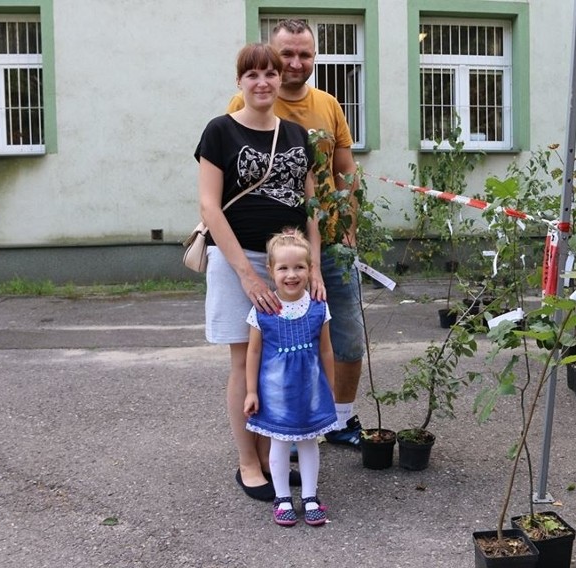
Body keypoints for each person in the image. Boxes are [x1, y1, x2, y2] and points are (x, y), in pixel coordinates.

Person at [194, 42, 325, 501]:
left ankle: (272, 454)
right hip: (239, 262)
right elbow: (210, 206)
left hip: (288, 264)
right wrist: (247, 275)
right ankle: (248, 462)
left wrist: (315, 267)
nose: (264, 82)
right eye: (253, 75)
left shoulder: (296, 134)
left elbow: (311, 208)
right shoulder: (220, 132)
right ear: (240, 82)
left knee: (280, 357)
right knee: (242, 361)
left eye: (270, 73)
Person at [227, 19, 365, 448]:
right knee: (275, 341)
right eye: (286, 54)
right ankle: (281, 426)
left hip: (327, 242)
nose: (295, 62)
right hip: (269, 250)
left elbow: (345, 171)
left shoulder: (328, 105)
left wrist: (349, 227)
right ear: (270, 56)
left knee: (345, 333)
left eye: (304, 54)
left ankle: (339, 419)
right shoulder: (244, 102)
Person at [244, 228, 337, 527]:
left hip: (310, 393)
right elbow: (254, 353)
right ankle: (282, 496)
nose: (291, 274)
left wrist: (330, 388)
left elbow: (326, 351)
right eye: (283, 268)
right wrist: (250, 392)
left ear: (310, 269)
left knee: (310, 443)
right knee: (279, 445)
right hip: (275, 396)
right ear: (271, 271)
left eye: (299, 267)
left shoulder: (319, 307)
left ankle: (310, 495)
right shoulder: (262, 310)